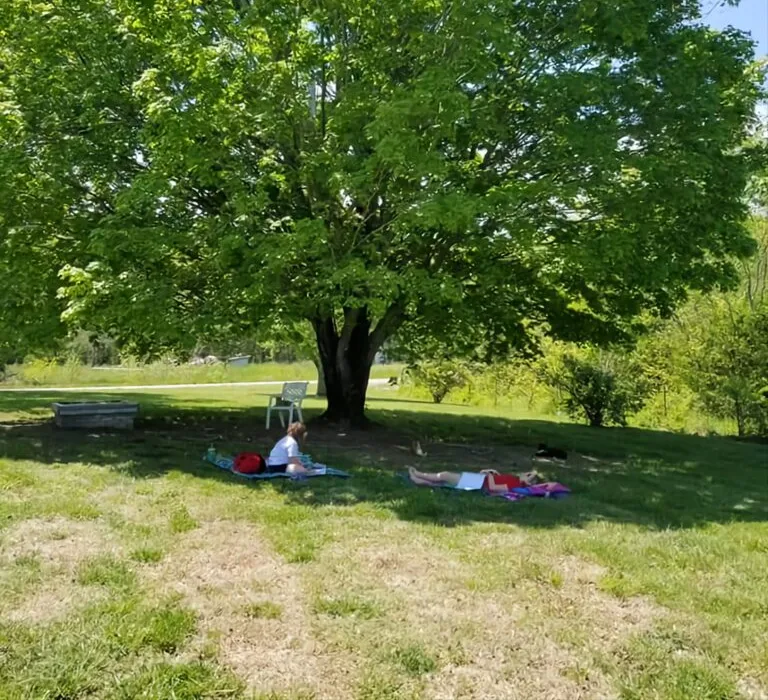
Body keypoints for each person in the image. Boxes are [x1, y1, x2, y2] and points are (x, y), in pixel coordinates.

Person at [407, 467, 538, 493]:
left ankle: (418, 474)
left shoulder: (513, 484)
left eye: (527, 476)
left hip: (477, 483)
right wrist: (492, 473)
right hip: (478, 479)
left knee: (445, 476)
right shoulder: (514, 479)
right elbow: (532, 472)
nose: (524, 474)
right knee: (441, 481)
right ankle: (416, 478)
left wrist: (490, 475)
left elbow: (493, 487)